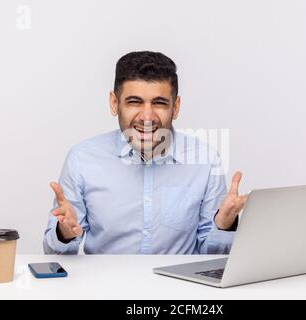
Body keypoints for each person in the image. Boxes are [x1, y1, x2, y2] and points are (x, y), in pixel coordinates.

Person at [43, 51, 247, 254]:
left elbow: (213, 259)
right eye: (134, 102)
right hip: (106, 284)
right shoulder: (82, 159)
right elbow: (54, 254)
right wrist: (64, 233)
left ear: (175, 108)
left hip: (179, 286)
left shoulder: (205, 159)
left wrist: (224, 225)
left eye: (159, 103)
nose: (147, 117)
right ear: (115, 104)